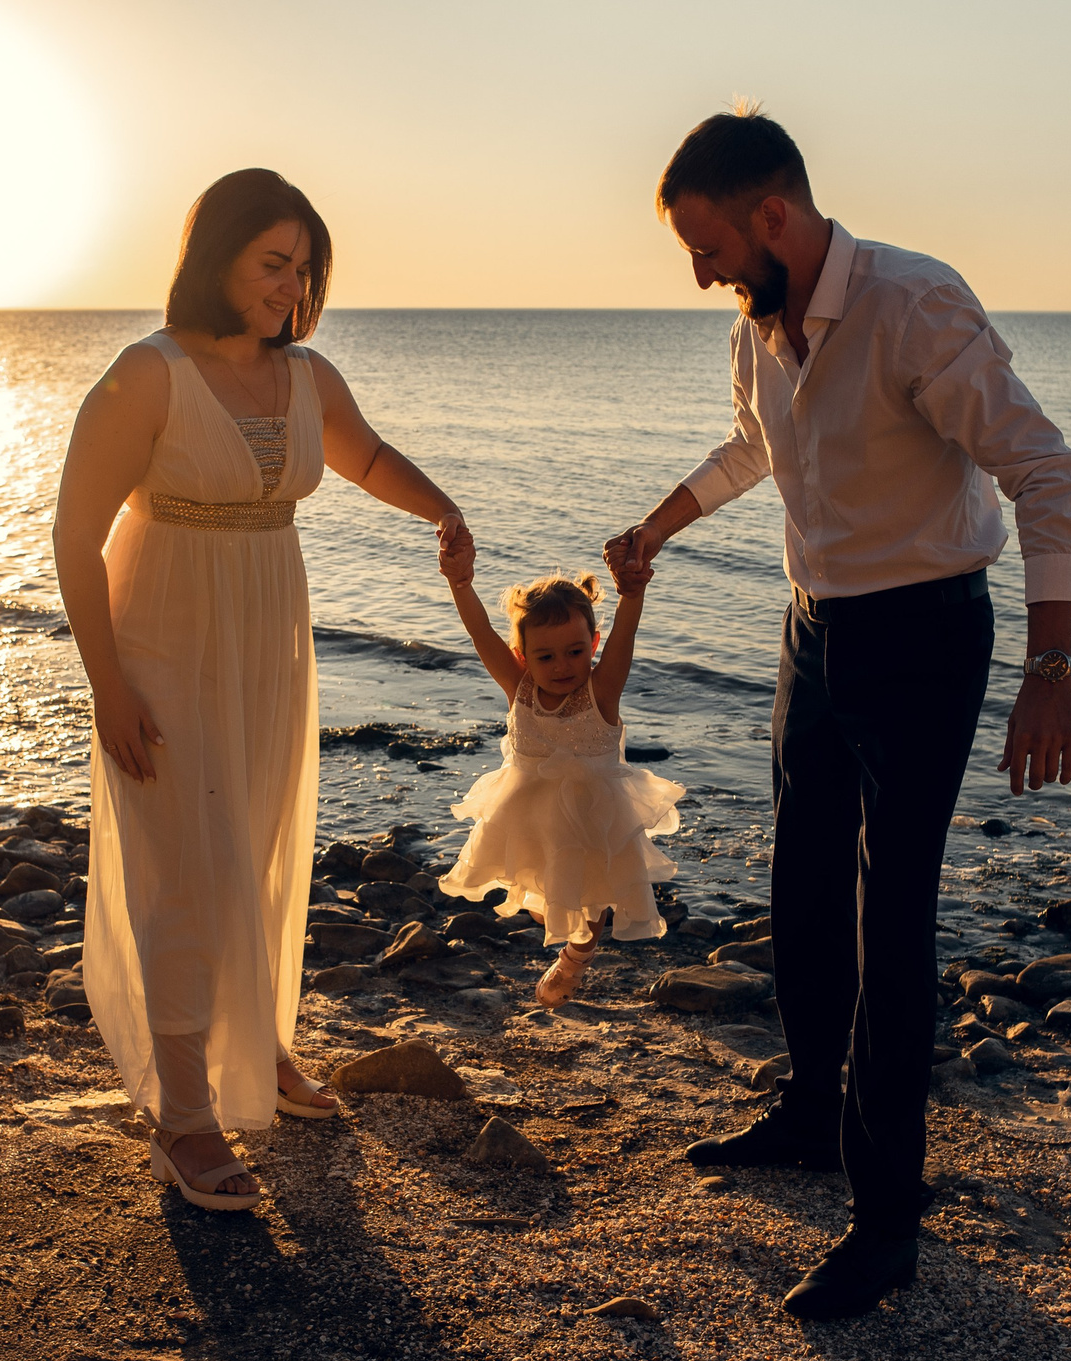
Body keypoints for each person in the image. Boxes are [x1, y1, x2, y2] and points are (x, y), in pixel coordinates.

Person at [604, 109, 1071, 1318]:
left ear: (773, 214)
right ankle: (811, 1116)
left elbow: (1050, 471)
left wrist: (1049, 667)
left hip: (924, 634)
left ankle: (885, 1225)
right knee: (803, 885)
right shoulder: (756, 331)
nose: (700, 269)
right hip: (814, 630)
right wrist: (656, 527)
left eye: (707, 241)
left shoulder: (914, 306)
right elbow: (751, 449)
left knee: (894, 917)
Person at [53, 168, 473, 1212]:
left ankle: (262, 1044)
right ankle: (185, 1114)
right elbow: (73, 533)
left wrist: (442, 508)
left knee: (262, 838)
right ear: (215, 259)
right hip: (164, 637)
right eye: (270, 264)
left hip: (268, 637)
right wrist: (107, 684)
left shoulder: (307, 375)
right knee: (185, 865)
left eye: (303, 268)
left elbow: (365, 455)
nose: (290, 286)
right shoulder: (146, 373)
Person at [434, 564, 684, 1008]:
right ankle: (566, 939)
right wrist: (460, 583)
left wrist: (633, 593)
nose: (562, 666)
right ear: (522, 654)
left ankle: (574, 962)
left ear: (593, 644)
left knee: (589, 905)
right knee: (541, 904)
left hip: (591, 822)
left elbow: (626, 635)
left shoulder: (601, 691)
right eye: (545, 656)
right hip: (528, 818)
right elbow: (479, 633)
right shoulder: (519, 687)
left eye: (574, 651)